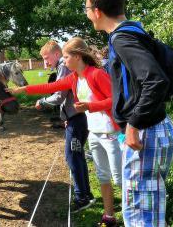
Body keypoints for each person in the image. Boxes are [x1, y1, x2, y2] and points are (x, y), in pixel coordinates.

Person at [84, 0, 173, 226]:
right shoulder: (134, 31)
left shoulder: (122, 39)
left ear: (97, 11)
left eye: (86, 9)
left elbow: (155, 81)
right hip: (155, 129)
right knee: (150, 208)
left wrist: (133, 125)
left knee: (139, 215)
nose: (87, 15)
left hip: (144, 135)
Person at [9, 38, 120, 217]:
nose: (64, 61)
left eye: (66, 56)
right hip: (94, 132)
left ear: (77, 57)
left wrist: (89, 107)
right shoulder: (74, 77)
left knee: (119, 179)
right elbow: (51, 86)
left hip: (111, 132)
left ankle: (138, 213)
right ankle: (108, 215)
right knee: (103, 176)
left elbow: (114, 100)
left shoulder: (96, 74)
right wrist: (22, 90)